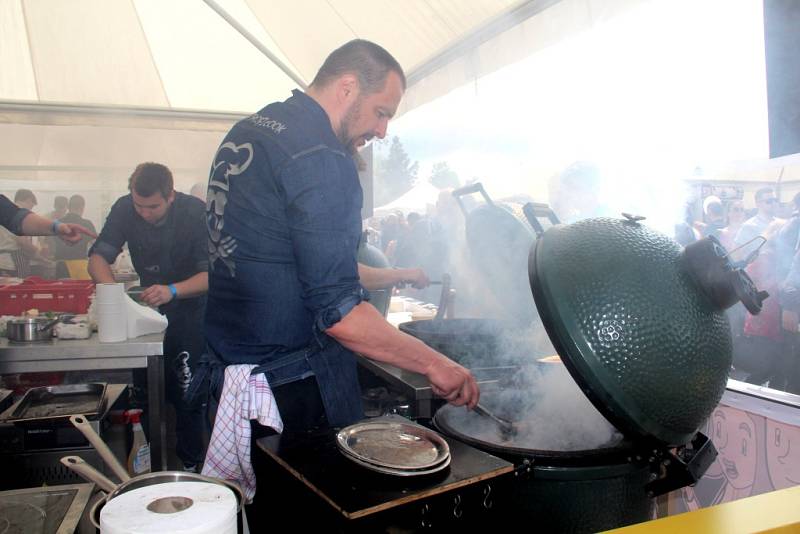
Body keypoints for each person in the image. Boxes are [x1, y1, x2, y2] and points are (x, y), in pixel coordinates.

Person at [204, 38, 478, 432]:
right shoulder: (322, 157)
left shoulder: (252, 128)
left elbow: (311, 263)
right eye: (380, 112)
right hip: (290, 387)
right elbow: (339, 313)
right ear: (347, 87)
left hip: (237, 372)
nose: (383, 131)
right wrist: (436, 363)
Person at [88, 162, 209, 471]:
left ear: (170, 196)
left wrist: (173, 290)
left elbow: (213, 275)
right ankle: (146, 462)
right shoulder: (125, 208)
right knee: (146, 391)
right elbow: (99, 257)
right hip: (149, 311)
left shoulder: (194, 212)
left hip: (191, 307)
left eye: (152, 206)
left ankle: (192, 463)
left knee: (186, 390)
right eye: (138, 205)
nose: (144, 212)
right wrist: (112, 296)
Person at [0, 192, 96, 276]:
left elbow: (19, 219)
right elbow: (22, 235)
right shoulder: (86, 223)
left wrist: (56, 228)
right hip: (79, 266)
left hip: (59, 264)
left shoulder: (59, 221)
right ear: (82, 207)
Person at [53, 194, 97, 261]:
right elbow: (96, 245)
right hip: (79, 265)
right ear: (82, 207)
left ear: (68, 207)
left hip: (60, 265)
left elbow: (50, 244)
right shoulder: (87, 224)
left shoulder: (57, 223)